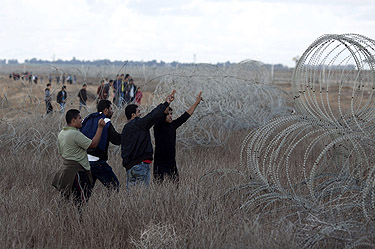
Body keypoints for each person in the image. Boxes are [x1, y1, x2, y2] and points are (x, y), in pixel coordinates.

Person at [121, 90, 175, 188]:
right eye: (138, 112)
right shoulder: (139, 124)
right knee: (142, 197)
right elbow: (152, 116)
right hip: (141, 166)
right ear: (133, 115)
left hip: (129, 167)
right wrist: (166, 103)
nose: (140, 114)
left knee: (131, 198)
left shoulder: (125, 129)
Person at [52, 109, 105, 206]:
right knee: (81, 201)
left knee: (67, 201)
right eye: (79, 118)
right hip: (77, 172)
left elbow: (61, 152)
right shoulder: (75, 134)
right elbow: (93, 144)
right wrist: (100, 128)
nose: (82, 120)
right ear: (73, 120)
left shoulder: (62, 133)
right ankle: (79, 220)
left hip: (65, 172)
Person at [153, 92, 203, 183]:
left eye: (172, 114)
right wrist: (168, 102)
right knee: (158, 187)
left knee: (175, 186)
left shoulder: (173, 125)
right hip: (160, 164)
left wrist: (196, 103)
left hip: (171, 163)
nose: (171, 116)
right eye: (169, 114)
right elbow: (163, 113)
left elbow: (185, 116)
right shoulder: (158, 127)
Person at [80, 100, 121, 191]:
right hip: (97, 162)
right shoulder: (105, 121)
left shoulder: (87, 119)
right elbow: (116, 140)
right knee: (114, 186)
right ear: (106, 110)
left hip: (84, 161)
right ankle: (111, 205)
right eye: (111, 109)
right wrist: (128, 134)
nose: (112, 111)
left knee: (86, 191)